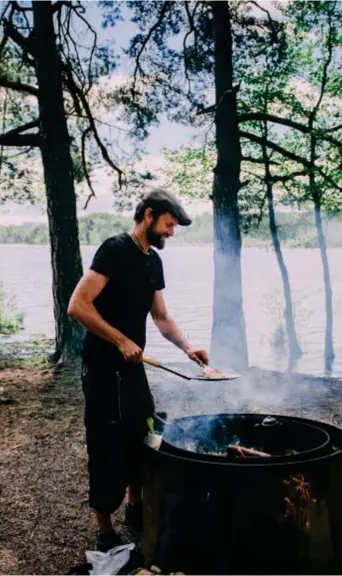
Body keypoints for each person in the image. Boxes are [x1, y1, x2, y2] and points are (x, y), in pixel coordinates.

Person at [67, 189, 209, 552]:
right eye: (168, 225)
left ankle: (134, 505)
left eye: (174, 227)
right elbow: (78, 306)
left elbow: (160, 317)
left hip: (132, 368)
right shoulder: (115, 250)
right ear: (148, 215)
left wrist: (187, 347)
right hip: (102, 368)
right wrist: (119, 340)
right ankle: (104, 527)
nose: (171, 233)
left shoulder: (151, 261)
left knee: (143, 431)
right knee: (105, 442)